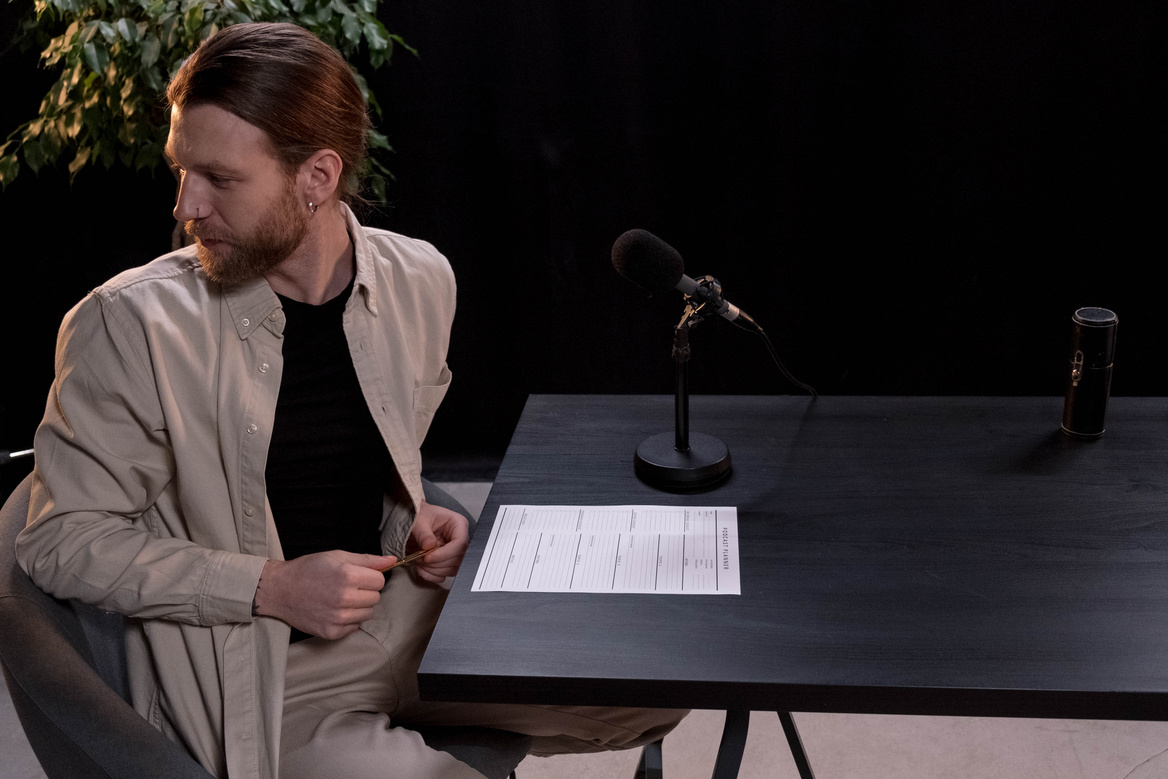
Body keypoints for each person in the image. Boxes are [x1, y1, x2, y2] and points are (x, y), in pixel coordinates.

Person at [15, 21, 685, 779]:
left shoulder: (421, 280)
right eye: (182, 170)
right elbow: (57, 541)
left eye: (219, 179)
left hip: (404, 618)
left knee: (657, 683)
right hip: (265, 674)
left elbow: (385, 463)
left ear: (318, 177)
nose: (185, 206)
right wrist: (273, 586)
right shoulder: (126, 322)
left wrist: (415, 521)